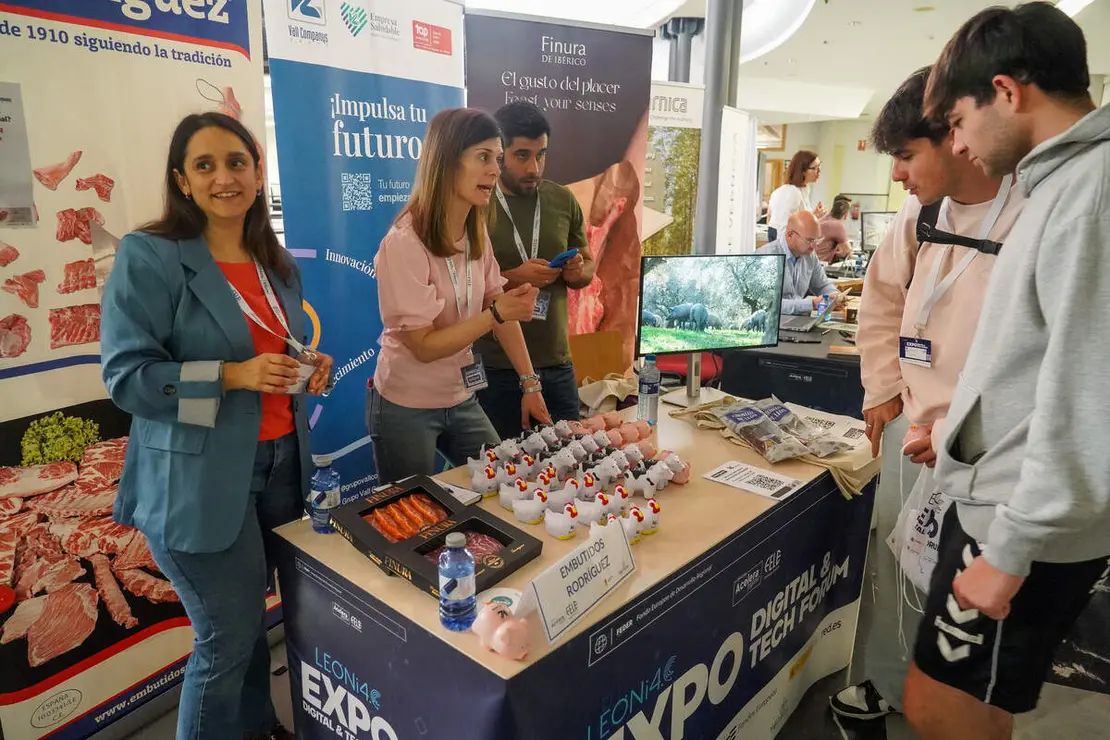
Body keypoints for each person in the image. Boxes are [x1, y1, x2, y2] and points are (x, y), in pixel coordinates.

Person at [900, 5, 1110, 739]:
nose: (955, 142)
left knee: (945, 709)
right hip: (1009, 506)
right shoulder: (1062, 184)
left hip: (1020, 524)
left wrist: (1011, 549)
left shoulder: (1089, 192)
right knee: (962, 705)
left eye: (957, 120)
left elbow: (1090, 395)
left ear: (1007, 92)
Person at [101, 112, 334, 740]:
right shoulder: (150, 256)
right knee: (225, 640)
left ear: (258, 172)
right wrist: (234, 376)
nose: (223, 177)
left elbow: (275, 350)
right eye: (204, 165)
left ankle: (258, 726)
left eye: (236, 162)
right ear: (182, 180)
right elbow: (127, 378)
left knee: (255, 625)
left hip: (283, 465)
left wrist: (307, 364)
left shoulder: (276, 264)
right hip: (198, 480)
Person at [829, 66, 1023, 725]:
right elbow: (882, 301)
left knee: (963, 601)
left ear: (954, 137)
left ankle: (950, 705)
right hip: (911, 427)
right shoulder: (922, 211)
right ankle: (883, 683)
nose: (898, 177)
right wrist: (882, 389)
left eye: (907, 157)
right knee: (894, 558)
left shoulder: (1036, 212)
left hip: (989, 452)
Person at [369, 108, 552, 484]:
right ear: (447, 162)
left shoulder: (475, 234)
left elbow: (498, 306)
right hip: (407, 405)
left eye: (498, 159)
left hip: (460, 396)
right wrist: (496, 315)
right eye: (483, 157)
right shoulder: (404, 243)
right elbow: (423, 346)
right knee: (412, 514)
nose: (495, 170)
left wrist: (530, 384)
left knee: (501, 479)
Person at [473, 102, 593, 439]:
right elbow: (466, 284)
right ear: (500, 153)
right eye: (522, 156)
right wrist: (515, 275)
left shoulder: (562, 199)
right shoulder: (478, 203)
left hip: (556, 362)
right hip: (497, 366)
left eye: (541, 155)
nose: (534, 167)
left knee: (574, 461)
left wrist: (576, 272)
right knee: (501, 472)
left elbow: (588, 266)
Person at [756, 210, 844, 315]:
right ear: (790, 235)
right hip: (773, 324)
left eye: (817, 240)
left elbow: (822, 285)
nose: (814, 246)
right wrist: (812, 304)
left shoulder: (809, 255)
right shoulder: (766, 257)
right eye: (809, 240)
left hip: (797, 320)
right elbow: (768, 305)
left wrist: (835, 296)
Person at [766, 149, 826, 240]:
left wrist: (814, 215)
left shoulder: (804, 189)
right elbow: (784, 228)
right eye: (814, 168)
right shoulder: (792, 192)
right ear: (802, 171)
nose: (819, 172)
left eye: (819, 167)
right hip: (783, 242)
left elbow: (800, 220)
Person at [816, 195, 853, 263]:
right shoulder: (837, 225)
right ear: (846, 214)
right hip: (822, 267)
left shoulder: (822, 220)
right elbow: (847, 251)